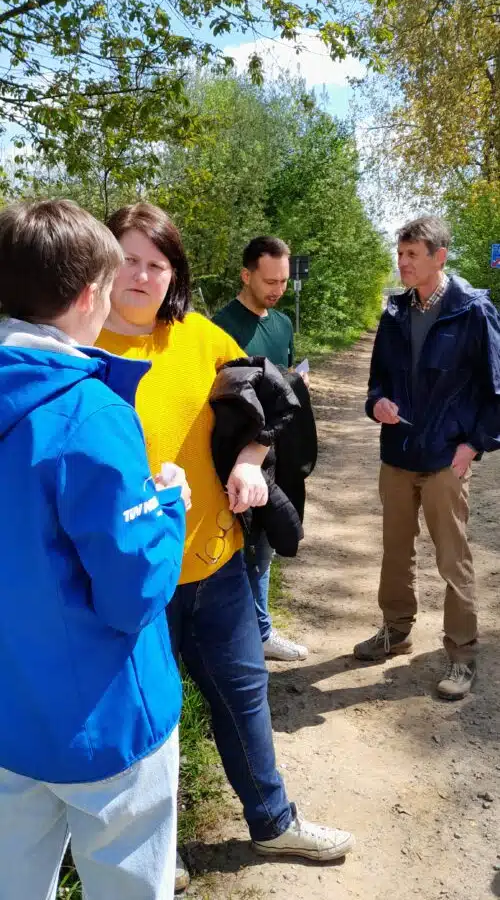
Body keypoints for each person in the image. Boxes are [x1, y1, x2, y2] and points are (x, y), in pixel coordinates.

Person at [97, 203, 354, 890]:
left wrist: (248, 459)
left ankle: (272, 822)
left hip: (215, 564)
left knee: (245, 696)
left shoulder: (199, 336)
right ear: (100, 262)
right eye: (127, 259)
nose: (142, 275)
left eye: (157, 263)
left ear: (174, 273)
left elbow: (266, 403)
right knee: (147, 721)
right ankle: (156, 847)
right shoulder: (79, 344)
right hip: (131, 585)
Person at [0, 199, 188, 900]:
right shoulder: (91, 413)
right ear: (88, 296)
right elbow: (133, 590)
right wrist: (168, 505)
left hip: (11, 716)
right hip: (106, 726)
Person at [354, 215, 500, 700]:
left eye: (412, 254)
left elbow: (495, 389)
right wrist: (377, 403)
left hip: (445, 460)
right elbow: (377, 381)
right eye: (400, 254)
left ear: (440, 257)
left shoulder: (473, 311)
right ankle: (395, 631)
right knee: (396, 552)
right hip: (397, 455)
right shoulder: (394, 312)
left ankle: (461, 654)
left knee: (453, 558)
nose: (402, 262)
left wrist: (474, 444)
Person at [213, 236, 310, 661]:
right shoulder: (220, 327)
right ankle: (247, 636)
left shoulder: (283, 323)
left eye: (283, 282)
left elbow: (282, 376)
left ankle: (258, 632)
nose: (278, 290)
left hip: (278, 449)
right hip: (237, 455)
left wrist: (297, 383)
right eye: (270, 281)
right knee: (242, 547)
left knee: (266, 543)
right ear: (246, 275)